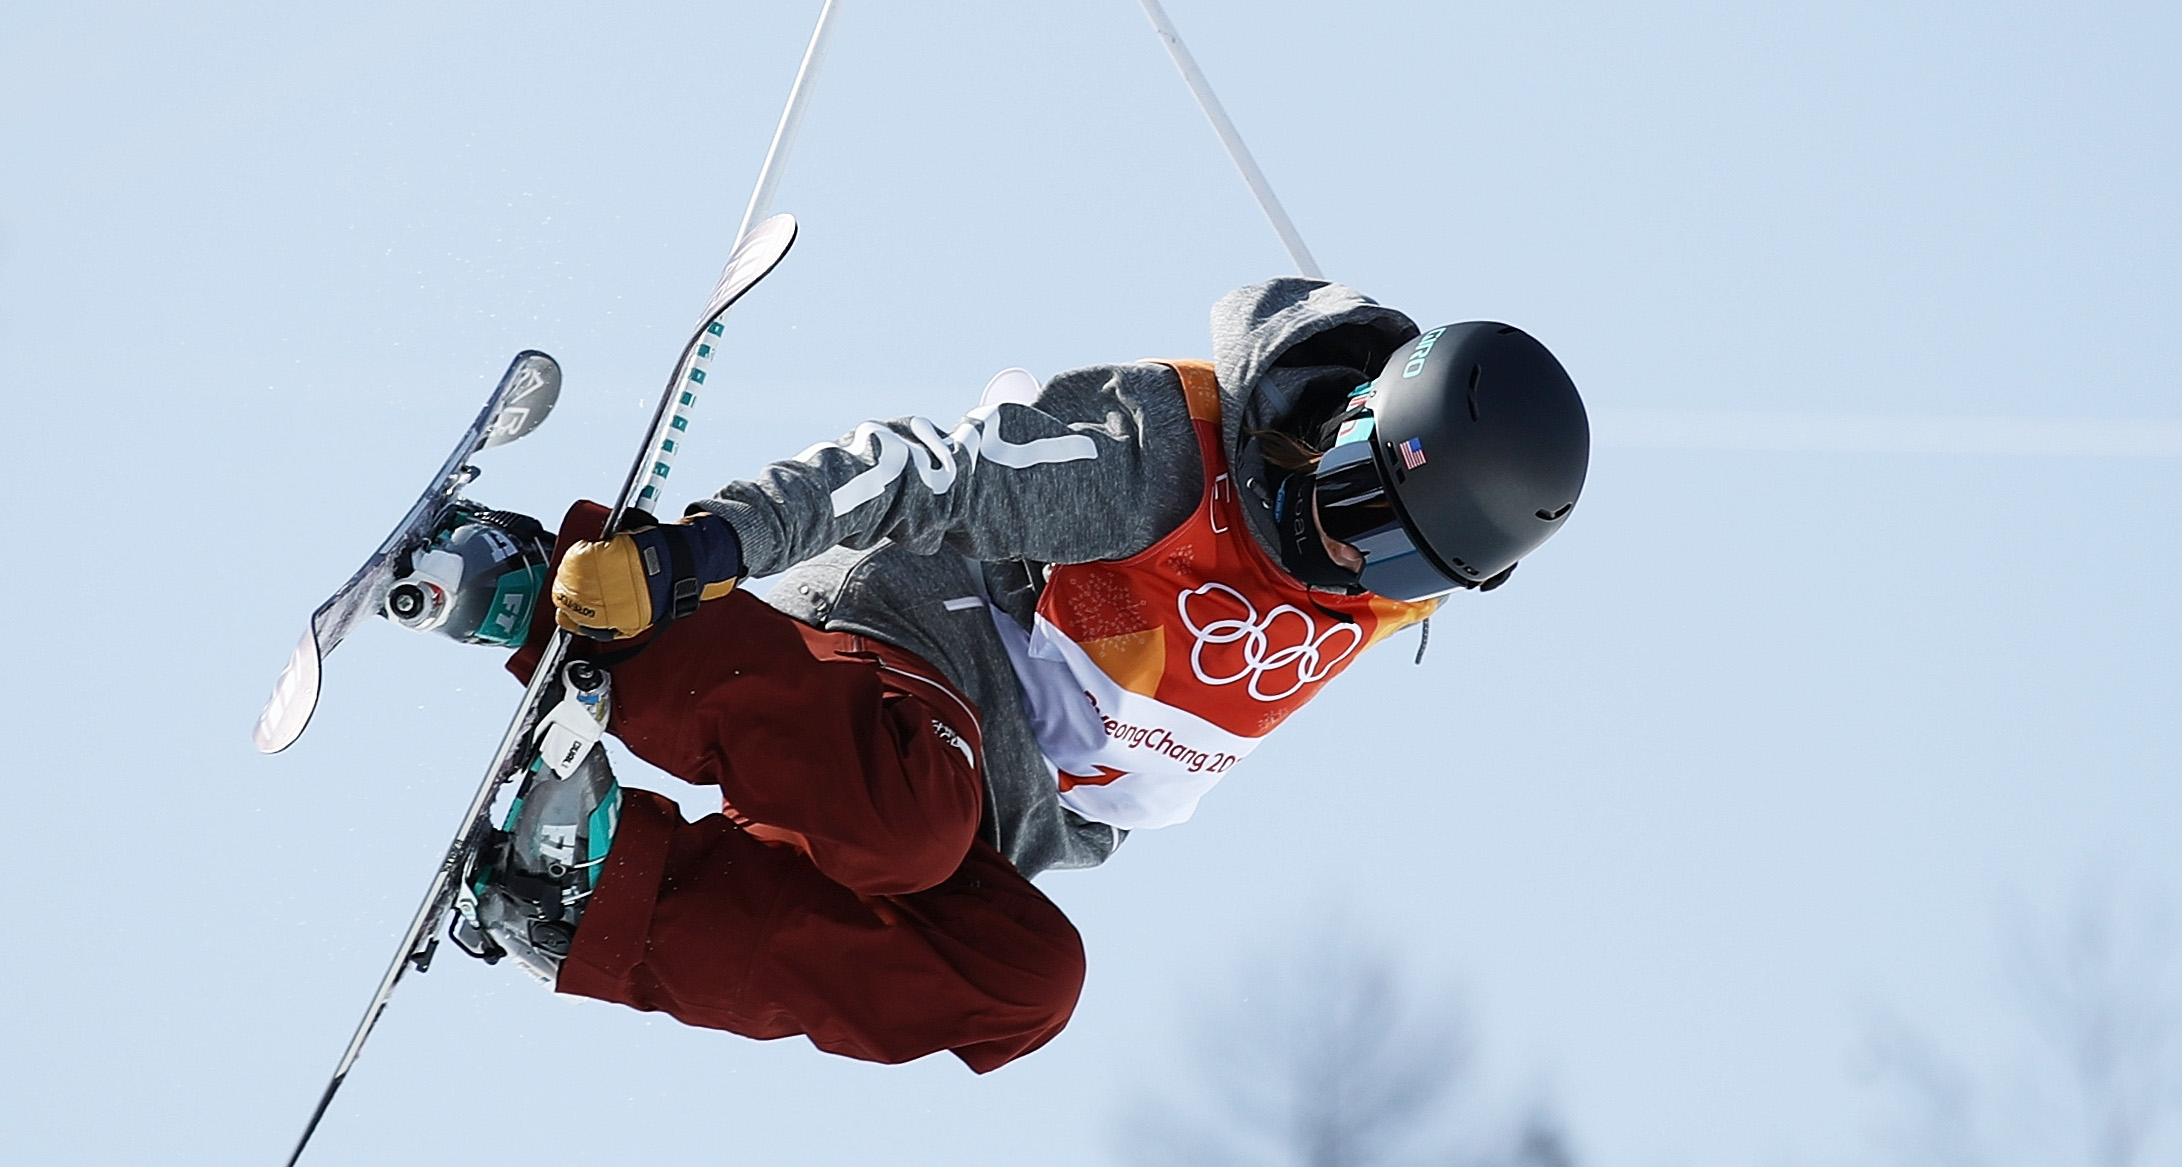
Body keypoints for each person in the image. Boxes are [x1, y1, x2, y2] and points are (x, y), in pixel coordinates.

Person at [424, 278, 1587, 1074]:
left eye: (1403, 563)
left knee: (1024, 982)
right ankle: (561, 602)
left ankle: (573, 900)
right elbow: (918, 473)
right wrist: (697, 551)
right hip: (915, 642)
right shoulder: (1166, 459)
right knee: (911, 818)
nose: (1352, 555)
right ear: (1343, 425)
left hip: (987, 799)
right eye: (1356, 501)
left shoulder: (1382, 596)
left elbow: (1430, 533)